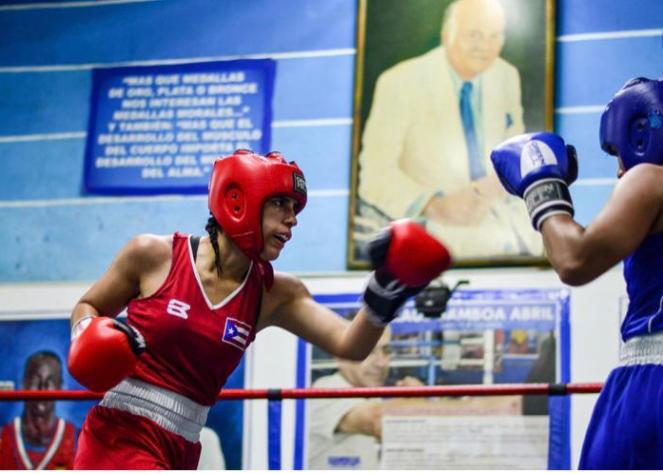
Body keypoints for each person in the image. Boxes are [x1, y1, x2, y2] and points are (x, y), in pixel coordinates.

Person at [66, 149, 452, 469]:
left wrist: (385, 291)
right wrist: (87, 331)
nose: (293, 219)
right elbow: (90, 305)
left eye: (295, 208)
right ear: (238, 199)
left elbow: (351, 345)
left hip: (183, 444)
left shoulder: (273, 293)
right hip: (120, 433)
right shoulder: (153, 255)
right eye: (281, 204)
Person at [490, 77, 663, 468]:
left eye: (618, 153)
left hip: (652, 383)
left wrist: (542, 185)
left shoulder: (650, 179)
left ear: (640, 136)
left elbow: (574, 261)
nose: (621, 171)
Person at [355, 0, 542, 260]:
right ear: (447, 34)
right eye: (473, 35)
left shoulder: (506, 75)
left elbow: (514, 153)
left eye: (494, 36)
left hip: (505, 225)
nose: (484, 47)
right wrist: (434, 206)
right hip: (433, 231)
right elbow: (375, 175)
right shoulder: (399, 82)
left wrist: (492, 188)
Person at [308, 326, 423, 469]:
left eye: (386, 351)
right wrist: (418, 402)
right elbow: (377, 422)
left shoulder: (372, 397)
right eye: (368, 351)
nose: (381, 363)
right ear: (339, 354)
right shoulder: (324, 392)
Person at [0, 351, 77, 470]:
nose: (42, 388)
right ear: (24, 383)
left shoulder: (75, 438)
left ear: (60, 387)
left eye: (50, 382)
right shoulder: (3, 437)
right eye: (35, 381)